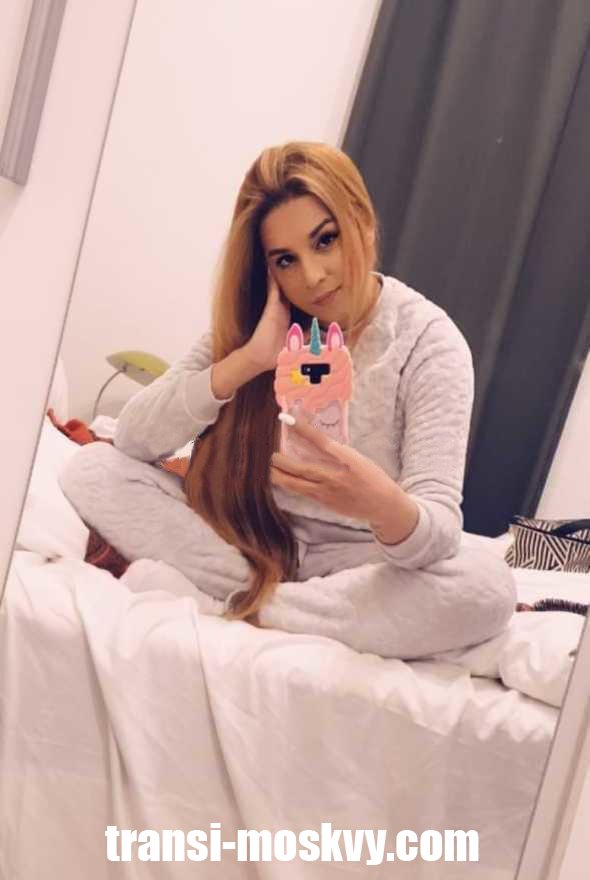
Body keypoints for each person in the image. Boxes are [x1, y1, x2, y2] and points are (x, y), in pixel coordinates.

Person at [59, 141, 516, 659]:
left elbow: (438, 529)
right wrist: (250, 359)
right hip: (247, 541)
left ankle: (250, 607)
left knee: (487, 586)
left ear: (363, 221)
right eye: (285, 260)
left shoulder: (428, 342)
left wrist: (380, 503)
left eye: (326, 240)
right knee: (91, 470)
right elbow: (133, 439)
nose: (312, 276)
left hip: (359, 562)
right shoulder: (259, 323)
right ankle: (269, 600)